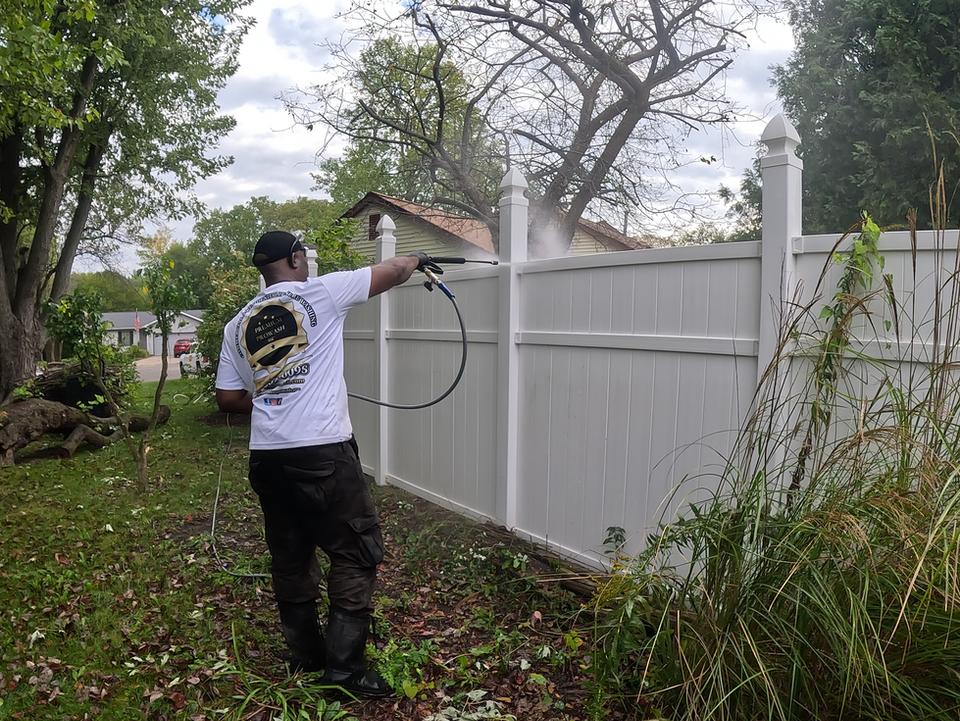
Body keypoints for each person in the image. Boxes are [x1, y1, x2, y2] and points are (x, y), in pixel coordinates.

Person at [215, 230, 438, 698]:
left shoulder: (236, 324)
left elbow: (229, 398)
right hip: (321, 454)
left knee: (291, 558)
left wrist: (275, 396)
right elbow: (393, 271)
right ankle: (343, 670)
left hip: (268, 460)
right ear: (296, 258)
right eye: (304, 255)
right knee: (356, 552)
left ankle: (305, 656)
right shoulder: (321, 292)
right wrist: (417, 256)